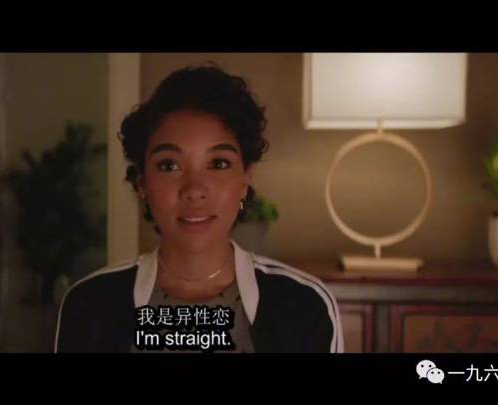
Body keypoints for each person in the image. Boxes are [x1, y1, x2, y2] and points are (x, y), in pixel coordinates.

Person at [55, 65, 343, 353]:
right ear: (142, 183)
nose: (194, 189)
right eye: (169, 165)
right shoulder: (90, 305)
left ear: (245, 179)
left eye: (218, 164)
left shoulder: (302, 306)